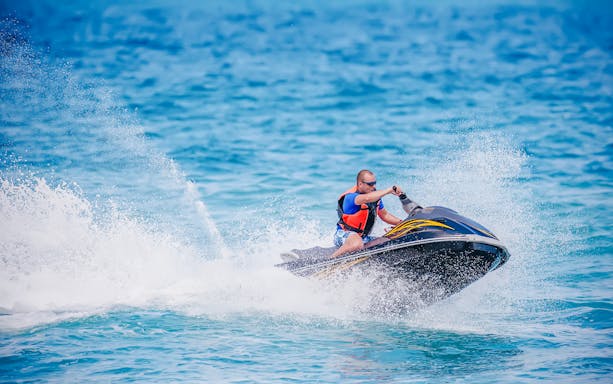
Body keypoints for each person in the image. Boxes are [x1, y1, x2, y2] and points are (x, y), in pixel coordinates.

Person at [331, 169, 404, 258]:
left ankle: (362, 256)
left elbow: (385, 215)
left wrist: (403, 223)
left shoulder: (375, 197)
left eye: (374, 183)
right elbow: (366, 199)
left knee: (387, 242)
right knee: (357, 243)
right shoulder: (351, 197)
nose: (373, 186)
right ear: (360, 184)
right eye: (370, 184)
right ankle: (331, 260)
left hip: (362, 238)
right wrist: (388, 190)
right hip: (343, 235)